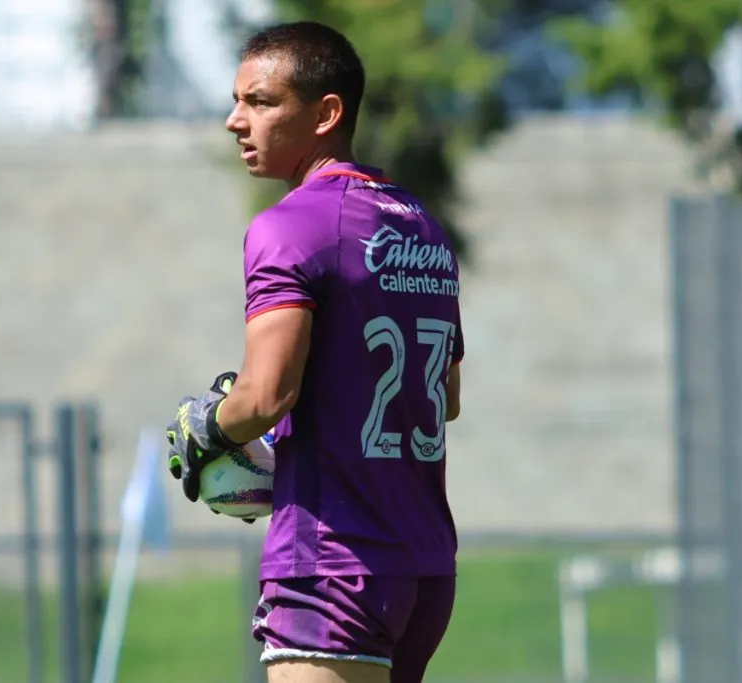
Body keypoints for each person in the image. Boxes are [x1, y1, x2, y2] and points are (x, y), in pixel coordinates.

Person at [165, 20, 464, 683]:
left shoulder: (289, 226)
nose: (234, 121)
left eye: (260, 102)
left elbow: (267, 395)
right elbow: (448, 399)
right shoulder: (423, 226)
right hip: (423, 564)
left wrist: (205, 428)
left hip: (332, 564)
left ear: (327, 113)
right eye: (237, 100)